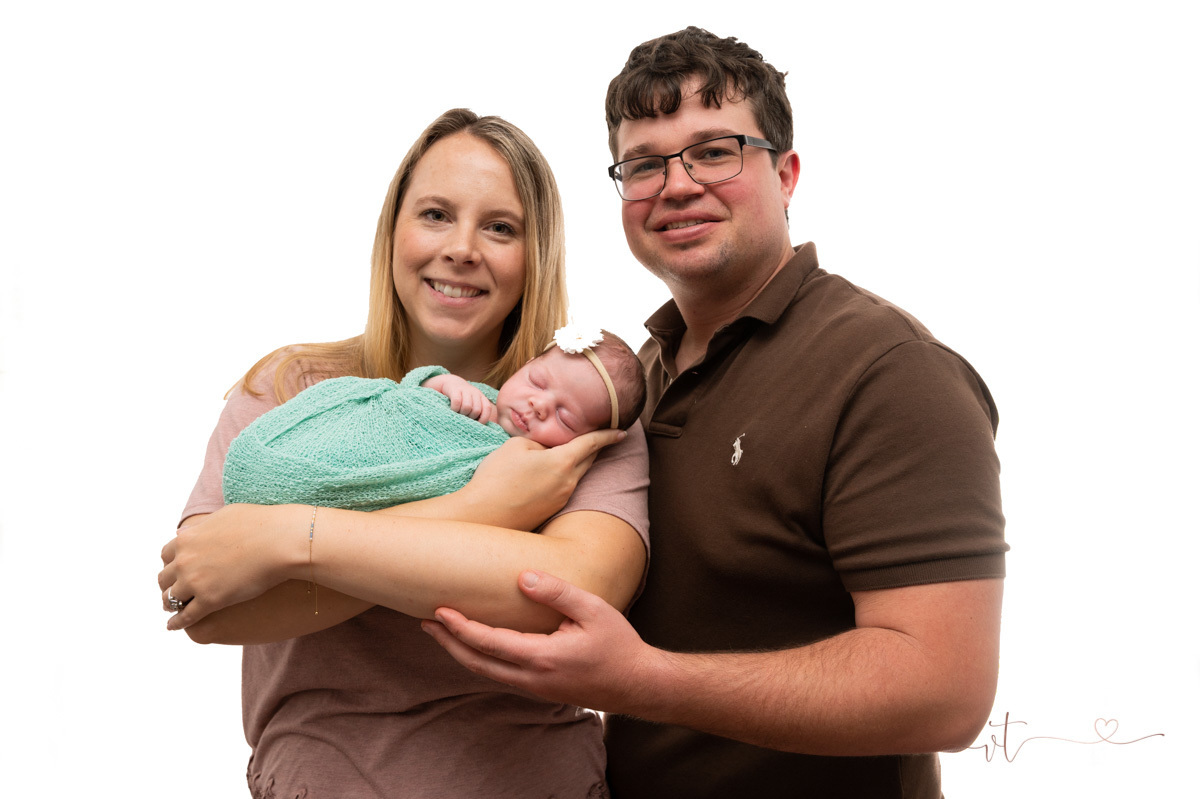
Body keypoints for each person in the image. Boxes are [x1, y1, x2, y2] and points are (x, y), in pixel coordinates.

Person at [420, 27, 1008, 798]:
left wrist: (643, 680)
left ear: (786, 173)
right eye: (644, 164)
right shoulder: (625, 380)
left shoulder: (890, 371)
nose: (677, 184)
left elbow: (945, 691)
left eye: (714, 151)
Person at [158, 108, 650, 799]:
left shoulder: (585, 414)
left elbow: (571, 588)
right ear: (393, 230)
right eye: (436, 215)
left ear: (535, 255)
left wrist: (285, 542)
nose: (462, 248)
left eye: (500, 227)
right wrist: (483, 508)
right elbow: (210, 605)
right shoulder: (289, 390)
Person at [222, 327, 646, 511]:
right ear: (527, 364)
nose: (538, 405)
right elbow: (408, 394)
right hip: (377, 431)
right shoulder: (482, 395)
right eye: (537, 381)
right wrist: (441, 383)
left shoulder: (541, 468)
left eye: (565, 417)